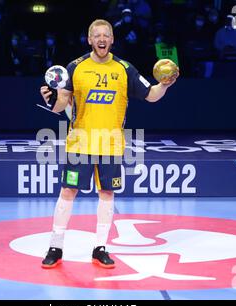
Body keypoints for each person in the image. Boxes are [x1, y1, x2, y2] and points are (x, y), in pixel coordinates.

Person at [39, 19, 177, 269]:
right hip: (80, 143)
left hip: (111, 144)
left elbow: (152, 96)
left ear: (112, 40)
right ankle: (55, 246)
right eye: (97, 35)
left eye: (106, 35)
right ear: (89, 40)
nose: (101, 39)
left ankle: (100, 248)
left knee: (107, 193)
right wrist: (52, 100)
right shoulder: (75, 67)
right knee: (68, 192)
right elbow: (61, 106)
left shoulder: (125, 69)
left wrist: (164, 85)